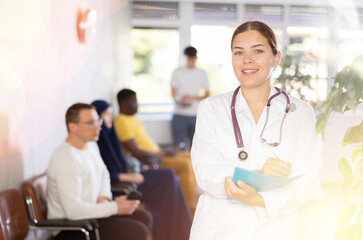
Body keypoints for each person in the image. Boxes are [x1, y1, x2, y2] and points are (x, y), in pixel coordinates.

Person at [189, 21, 322, 240]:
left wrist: (257, 199)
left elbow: (306, 179)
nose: (247, 60)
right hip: (218, 228)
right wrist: (260, 175)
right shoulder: (211, 109)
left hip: (273, 230)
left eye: (258, 51)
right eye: (238, 52)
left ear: (276, 58)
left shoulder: (300, 112)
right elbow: (206, 174)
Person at [46, 103, 152, 240]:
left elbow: (104, 175)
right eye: (91, 123)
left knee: (143, 217)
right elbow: (73, 211)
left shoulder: (91, 145)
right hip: (72, 227)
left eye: (98, 120)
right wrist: (114, 207)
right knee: (136, 230)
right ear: (73, 127)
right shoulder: (66, 159)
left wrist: (104, 198)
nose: (98, 127)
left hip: (91, 216)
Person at [91, 100, 192, 240]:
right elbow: (105, 175)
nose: (109, 119)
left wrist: (137, 168)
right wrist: (128, 177)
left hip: (131, 175)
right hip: (123, 184)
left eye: (110, 114)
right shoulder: (95, 144)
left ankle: (181, 229)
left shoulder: (110, 136)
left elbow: (123, 162)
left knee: (169, 176)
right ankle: (174, 231)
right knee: (168, 176)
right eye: (105, 115)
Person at [114, 89, 197, 212]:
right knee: (185, 165)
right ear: (123, 103)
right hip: (152, 159)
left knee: (191, 156)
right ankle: (190, 207)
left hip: (159, 153)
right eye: (133, 102)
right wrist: (165, 153)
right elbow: (137, 152)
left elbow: (148, 144)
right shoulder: (121, 121)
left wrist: (166, 150)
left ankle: (192, 197)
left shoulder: (134, 119)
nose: (137, 105)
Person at [171, 46, 210, 150]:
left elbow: (207, 94)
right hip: (179, 114)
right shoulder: (177, 72)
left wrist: (191, 97)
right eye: (188, 59)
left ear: (196, 58)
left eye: (192, 59)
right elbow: (173, 94)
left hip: (196, 115)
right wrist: (181, 102)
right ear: (185, 58)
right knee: (179, 147)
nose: (190, 62)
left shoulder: (202, 73)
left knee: (197, 147)